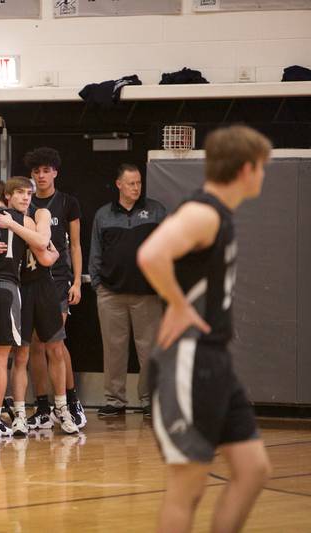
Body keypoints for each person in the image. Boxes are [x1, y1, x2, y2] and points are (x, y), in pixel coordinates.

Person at [138, 125, 272, 533]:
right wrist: (177, 304)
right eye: (262, 168)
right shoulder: (203, 212)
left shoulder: (219, 213)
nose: (263, 175)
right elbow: (151, 253)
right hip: (187, 361)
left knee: (252, 470)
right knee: (187, 488)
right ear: (247, 168)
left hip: (215, 362)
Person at [0, 178, 57, 438]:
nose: (25, 198)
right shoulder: (24, 220)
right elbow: (47, 251)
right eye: (20, 193)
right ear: (6, 195)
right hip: (7, 289)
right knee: (1, 358)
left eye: (28, 193)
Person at [89, 164, 166, 417]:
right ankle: (115, 401)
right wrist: (99, 285)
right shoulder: (103, 215)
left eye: (139, 183)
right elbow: (96, 253)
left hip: (148, 294)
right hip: (111, 294)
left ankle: (150, 400)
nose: (136, 188)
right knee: (114, 350)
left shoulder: (156, 211)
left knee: (150, 351)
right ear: (119, 184)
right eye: (131, 183)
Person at [23, 147, 86, 431]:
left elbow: (75, 244)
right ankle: (43, 406)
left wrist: (76, 281)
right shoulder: (26, 203)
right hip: (31, 281)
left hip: (58, 280)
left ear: (55, 172)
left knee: (55, 343)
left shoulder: (67, 203)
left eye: (46, 170)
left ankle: (70, 402)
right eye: (36, 171)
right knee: (35, 344)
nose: (41, 175)